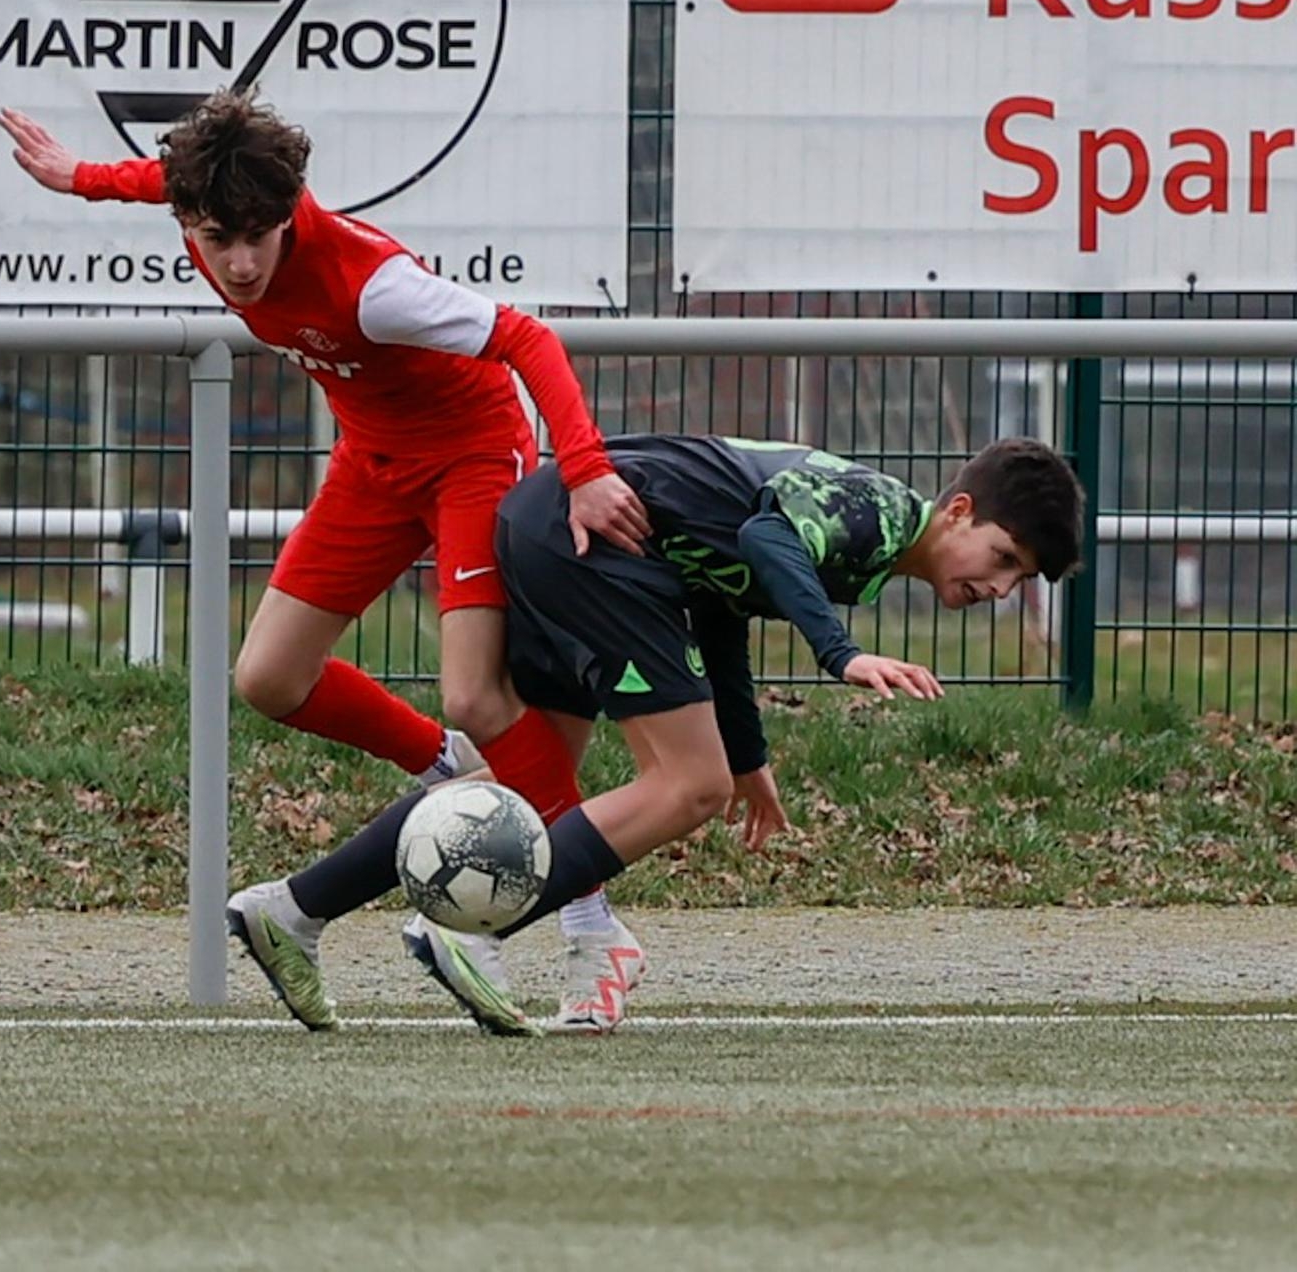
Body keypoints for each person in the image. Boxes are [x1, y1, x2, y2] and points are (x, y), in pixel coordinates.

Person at [0, 92, 653, 1023]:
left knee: (473, 690)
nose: (239, 262)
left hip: (470, 454)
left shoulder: (371, 283)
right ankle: (453, 773)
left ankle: (594, 929)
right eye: (218, 238)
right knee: (267, 677)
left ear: (290, 212)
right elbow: (164, 182)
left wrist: (583, 469)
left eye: (259, 236)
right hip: (371, 462)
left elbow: (526, 337)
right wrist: (81, 179)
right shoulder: (207, 213)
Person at [227, 434, 1085, 1035]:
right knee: (688, 786)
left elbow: (720, 602)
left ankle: (295, 909)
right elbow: (765, 539)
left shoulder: (869, 535)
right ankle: (473, 931)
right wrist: (841, 655)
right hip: (594, 551)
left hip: (551, 528)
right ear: (960, 510)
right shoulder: (874, 514)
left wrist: (750, 757)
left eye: (1022, 579)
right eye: (1005, 558)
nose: (1003, 586)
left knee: (521, 786)